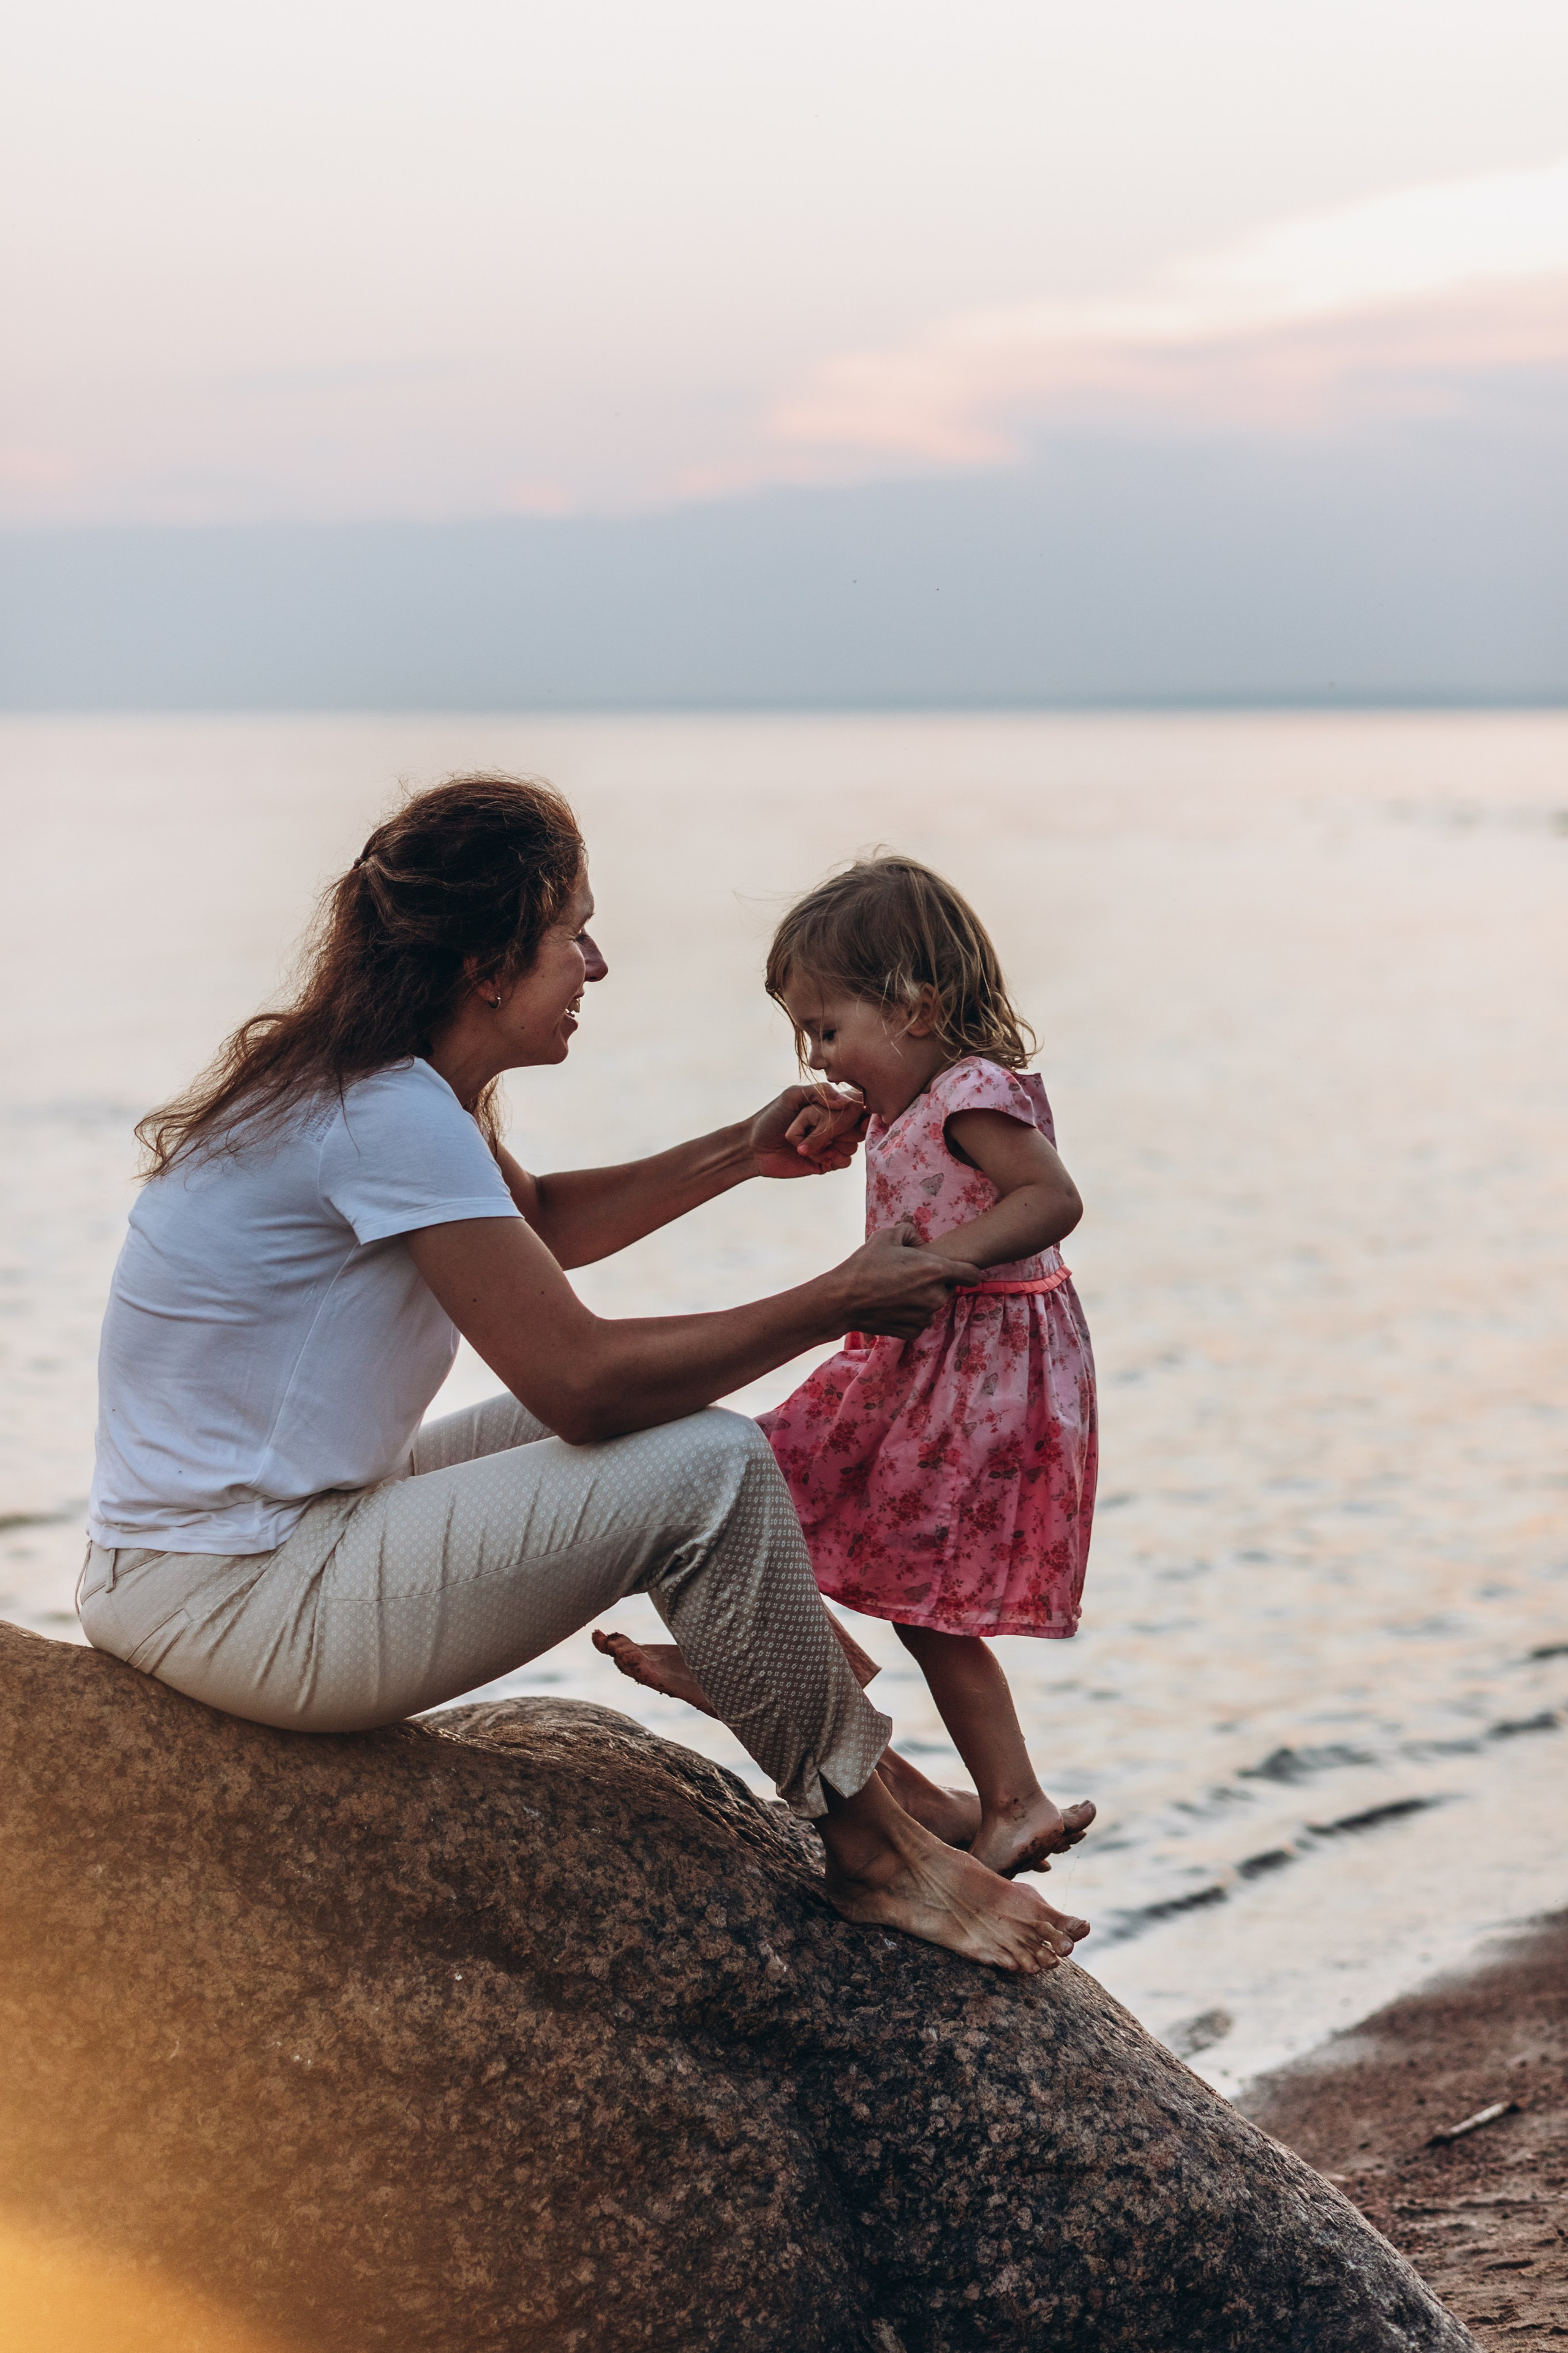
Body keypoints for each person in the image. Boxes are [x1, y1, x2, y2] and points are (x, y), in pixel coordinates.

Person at [78, 776, 1087, 1977]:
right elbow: (582, 1384)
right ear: (491, 961)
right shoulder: (384, 1112)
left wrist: (736, 1151)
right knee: (706, 1467)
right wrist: (832, 1301)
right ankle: (878, 1848)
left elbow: (537, 1219)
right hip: (237, 1595)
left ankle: (872, 1782)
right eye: (574, 933)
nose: (597, 963)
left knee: (689, 1435)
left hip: (221, 1557)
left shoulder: (383, 1087)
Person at [601, 855, 1098, 1884]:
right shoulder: (919, 1099)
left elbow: (1051, 1199)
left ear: (917, 1007)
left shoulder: (972, 1092)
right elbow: (917, 1150)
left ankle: (1012, 1798)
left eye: (828, 1031)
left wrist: (938, 1263)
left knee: (911, 1592)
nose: (820, 1055)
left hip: (971, 1376)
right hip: (915, 1364)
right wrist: (849, 1119)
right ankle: (773, 1665)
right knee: (758, 1481)